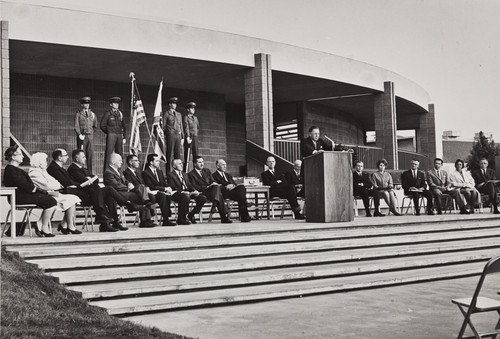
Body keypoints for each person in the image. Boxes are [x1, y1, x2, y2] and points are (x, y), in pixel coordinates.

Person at [68, 149, 145, 232]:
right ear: (76, 159)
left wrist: (90, 179)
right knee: (109, 189)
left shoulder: (85, 169)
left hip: (94, 193)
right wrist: (89, 179)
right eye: (83, 157)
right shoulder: (72, 169)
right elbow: (83, 180)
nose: (85, 158)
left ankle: (111, 223)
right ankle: (127, 204)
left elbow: (96, 179)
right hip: (85, 195)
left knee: (110, 197)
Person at [47, 148, 116, 227]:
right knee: (98, 192)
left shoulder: (61, 168)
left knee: (104, 193)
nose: (68, 157)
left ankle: (105, 220)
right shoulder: (53, 168)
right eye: (65, 155)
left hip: (76, 190)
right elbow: (66, 182)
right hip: (67, 192)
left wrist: (80, 183)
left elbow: (70, 181)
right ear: (59, 158)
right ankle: (105, 217)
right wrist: (79, 185)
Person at [3, 145, 58, 237]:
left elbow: (28, 186)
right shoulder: (11, 170)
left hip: (23, 195)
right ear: (13, 157)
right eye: (20, 154)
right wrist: (45, 192)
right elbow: (26, 186)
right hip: (19, 197)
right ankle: (42, 227)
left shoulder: (15, 169)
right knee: (51, 201)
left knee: (50, 199)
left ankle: (41, 225)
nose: (23, 156)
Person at [28, 152, 82, 235]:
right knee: (70, 199)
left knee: (73, 198)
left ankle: (69, 225)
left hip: (53, 192)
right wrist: (55, 186)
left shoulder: (43, 171)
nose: (46, 163)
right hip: (46, 194)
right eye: (44, 161)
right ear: (39, 162)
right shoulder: (34, 173)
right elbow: (46, 185)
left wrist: (55, 185)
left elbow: (56, 183)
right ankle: (44, 225)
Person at [132, 153, 190, 226]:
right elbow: (151, 186)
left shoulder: (159, 172)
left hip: (164, 192)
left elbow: (163, 183)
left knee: (183, 196)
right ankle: (166, 219)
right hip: (155, 193)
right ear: (151, 162)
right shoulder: (145, 172)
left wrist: (168, 187)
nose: (159, 162)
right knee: (163, 196)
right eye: (157, 161)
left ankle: (181, 218)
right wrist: (164, 188)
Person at [103, 153, 156, 228]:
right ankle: (145, 218)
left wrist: (129, 184)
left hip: (125, 191)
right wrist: (127, 187)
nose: (121, 162)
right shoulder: (108, 172)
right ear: (113, 162)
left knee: (142, 188)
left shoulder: (119, 171)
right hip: (118, 194)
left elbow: (125, 181)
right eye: (120, 160)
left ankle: (145, 214)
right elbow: (115, 185)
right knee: (143, 195)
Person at [188, 156, 232, 224]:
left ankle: (215, 205)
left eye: (203, 162)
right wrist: (207, 186)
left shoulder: (207, 171)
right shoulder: (191, 174)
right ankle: (223, 216)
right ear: (194, 164)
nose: (202, 164)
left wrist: (213, 183)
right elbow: (194, 186)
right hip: (201, 192)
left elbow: (213, 180)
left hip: (211, 193)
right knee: (217, 191)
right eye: (199, 162)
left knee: (216, 187)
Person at [167, 159, 207, 223]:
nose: (182, 165)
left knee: (202, 198)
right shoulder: (170, 175)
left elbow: (189, 185)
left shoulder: (185, 174)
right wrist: (183, 192)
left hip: (188, 192)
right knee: (185, 196)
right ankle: (181, 219)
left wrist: (194, 190)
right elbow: (173, 187)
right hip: (177, 193)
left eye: (182, 163)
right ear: (174, 166)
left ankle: (191, 214)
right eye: (179, 164)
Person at [101, 97, 126, 172]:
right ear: (111, 104)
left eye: (117, 103)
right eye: (115, 103)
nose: (116, 105)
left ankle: (119, 172)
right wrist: (109, 132)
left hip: (119, 135)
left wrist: (124, 137)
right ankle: (107, 171)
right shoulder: (108, 114)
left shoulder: (120, 114)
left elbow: (124, 126)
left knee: (120, 153)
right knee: (109, 153)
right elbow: (102, 125)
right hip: (111, 134)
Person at [74, 96, 97, 170]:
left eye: (88, 104)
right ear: (82, 105)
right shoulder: (79, 114)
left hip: (90, 137)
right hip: (82, 137)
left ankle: (89, 172)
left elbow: (95, 126)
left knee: (90, 154)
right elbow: (76, 126)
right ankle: (81, 170)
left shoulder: (92, 114)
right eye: (85, 103)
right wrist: (79, 134)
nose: (87, 105)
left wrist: (91, 134)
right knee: (81, 154)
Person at [163, 97, 184, 171]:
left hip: (178, 135)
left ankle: (177, 172)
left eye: (175, 104)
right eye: (173, 103)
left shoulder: (179, 114)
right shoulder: (167, 114)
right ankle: (168, 172)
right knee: (169, 154)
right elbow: (164, 126)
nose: (174, 105)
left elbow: (181, 126)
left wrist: (182, 137)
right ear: (170, 104)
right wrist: (166, 135)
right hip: (170, 134)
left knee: (177, 154)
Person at [183, 102, 200, 170]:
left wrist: (195, 134)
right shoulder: (186, 117)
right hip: (189, 138)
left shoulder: (195, 118)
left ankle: (195, 171)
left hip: (195, 137)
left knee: (196, 155)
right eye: (191, 108)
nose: (193, 109)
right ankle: (185, 171)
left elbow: (198, 127)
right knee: (187, 155)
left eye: (194, 108)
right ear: (188, 109)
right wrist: (188, 136)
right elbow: (186, 127)